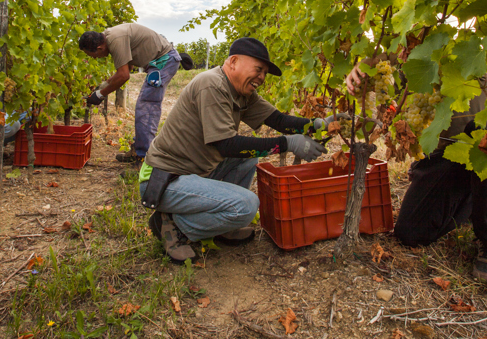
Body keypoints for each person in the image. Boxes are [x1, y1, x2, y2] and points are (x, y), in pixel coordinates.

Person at [138, 38, 348, 264]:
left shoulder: (240, 92)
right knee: (246, 206)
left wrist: (320, 125)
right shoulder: (211, 84)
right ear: (234, 62)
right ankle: (174, 226)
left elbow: (278, 120)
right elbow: (226, 144)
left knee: (248, 160)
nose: (262, 77)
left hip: (192, 173)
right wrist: (287, 143)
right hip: (163, 180)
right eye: (258, 69)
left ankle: (221, 225)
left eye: (265, 73)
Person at [346, 63, 487, 282]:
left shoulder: (474, 65)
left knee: (482, 131)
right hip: (449, 155)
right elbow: (387, 58)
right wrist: (363, 65)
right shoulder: (416, 68)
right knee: (410, 233)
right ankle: (473, 200)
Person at [79, 23, 183, 163]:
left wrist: (100, 95)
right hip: (160, 60)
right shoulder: (109, 37)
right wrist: (104, 85)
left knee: (146, 107)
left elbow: (124, 76)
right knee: (144, 106)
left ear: (99, 48)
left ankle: (144, 159)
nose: (94, 58)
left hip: (163, 62)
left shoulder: (115, 40)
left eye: (92, 55)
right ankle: (139, 150)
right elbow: (128, 66)